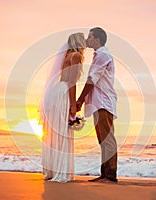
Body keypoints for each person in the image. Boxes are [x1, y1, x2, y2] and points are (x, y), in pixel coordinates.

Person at [41, 33, 86, 182]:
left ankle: (53, 170)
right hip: (64, 93)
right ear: (78, 42)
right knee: (63, 132)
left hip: (56, 92)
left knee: (56, 133)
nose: (85, 42)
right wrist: (73, 105)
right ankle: (61, 171)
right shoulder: (76, 56)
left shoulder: (66, 56)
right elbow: (71, 82)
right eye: (83, 39)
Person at [77, 27, 118, 183]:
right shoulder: (99, 55)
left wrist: (80, 100)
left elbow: (92, 79)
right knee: (102, 140)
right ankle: (104, 174)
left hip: (103, 102)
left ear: (98, 39)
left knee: (107, 139)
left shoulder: (103, 55)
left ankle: (110, 176)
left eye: (90, 36)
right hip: (98, 103)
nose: (88, 39)